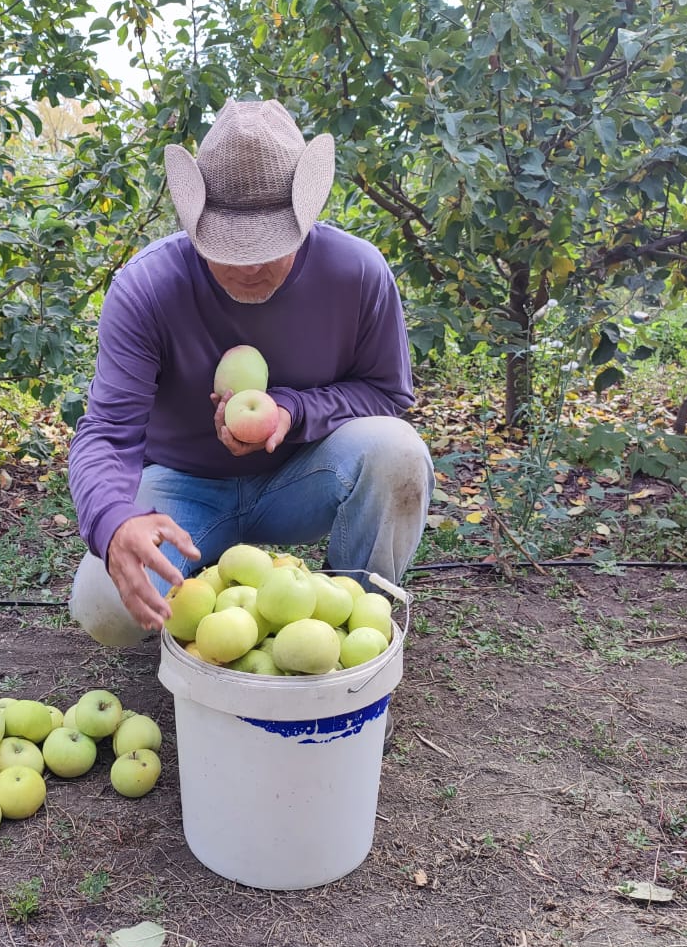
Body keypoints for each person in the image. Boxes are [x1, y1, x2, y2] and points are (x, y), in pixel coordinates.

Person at [67, 98, 435, 647]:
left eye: (269, 246)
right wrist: (116, 521)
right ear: (195, 224)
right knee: (103, 606)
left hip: (302, 478)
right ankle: (195, 601)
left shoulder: (357, 273)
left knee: (397, 451)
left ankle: (352, 620)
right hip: (182, 487)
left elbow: (386, 394)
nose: (248, 265)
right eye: (226, 247)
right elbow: (105, 433)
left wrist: (294, 409)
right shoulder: (146, 288)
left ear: (303, 218)